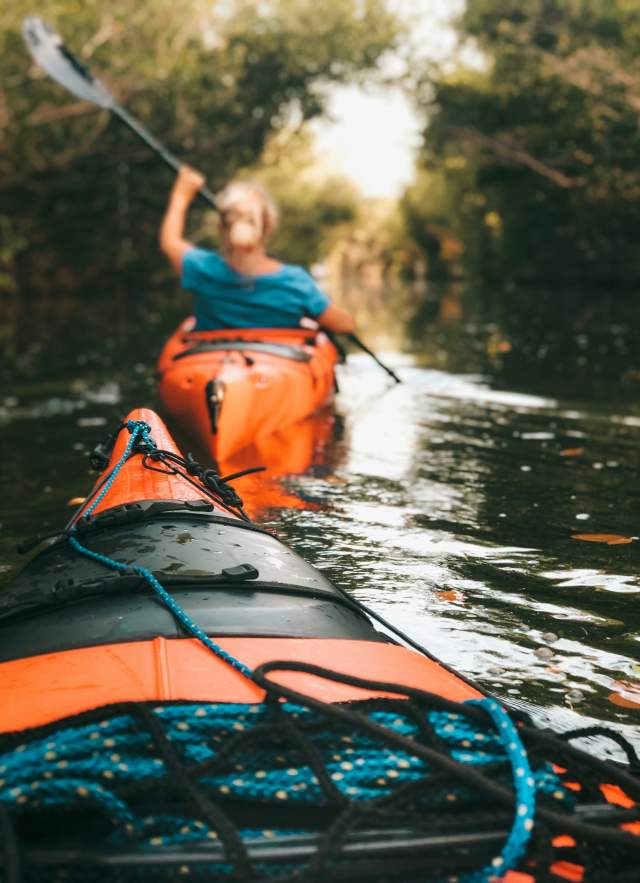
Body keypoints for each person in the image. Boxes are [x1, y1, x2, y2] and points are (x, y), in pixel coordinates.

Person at [160, 166, 355, 333]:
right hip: (278, 372)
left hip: (211, 368)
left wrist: (181, 196)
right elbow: (344, 325)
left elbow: (170, 241)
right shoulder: (295, 283)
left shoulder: (203, 269)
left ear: (221, 227)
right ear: (269, 225)